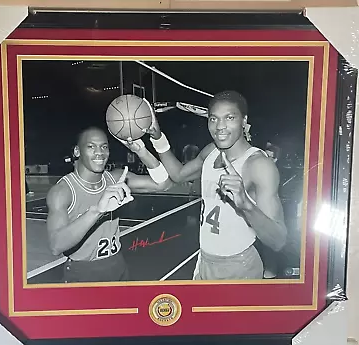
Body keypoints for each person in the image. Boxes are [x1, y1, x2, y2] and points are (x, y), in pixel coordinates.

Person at [145, 90, 287, 280]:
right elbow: (179, 175)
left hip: (239, 266)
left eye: (229, 117)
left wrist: (245, 204)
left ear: (244, 121)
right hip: (205, 261)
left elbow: (279, 240)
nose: (220, 126)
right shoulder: (212, 150)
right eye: (213, 119)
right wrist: (157, 137)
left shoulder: (259, 165)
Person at [46, 126, 173, 283]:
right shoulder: (62, 191)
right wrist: (97, 211)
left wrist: (142, 152)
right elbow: (56, 246)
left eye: (104, 146)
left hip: (117, 265)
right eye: (91, 146)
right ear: (77, 152)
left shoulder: (116, 178)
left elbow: (164, 184)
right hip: (83, 272)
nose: (99, 152)